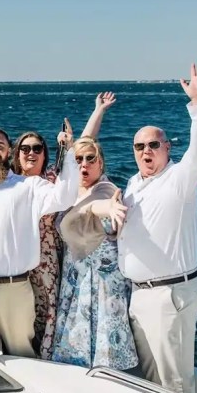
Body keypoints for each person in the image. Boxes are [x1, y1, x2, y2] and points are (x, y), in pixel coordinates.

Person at [119, 61, 197, 393]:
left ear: (167, 148)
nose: (146, 150)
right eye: (140, 146)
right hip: (140, 295)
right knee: (149, 381)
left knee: (173, 383)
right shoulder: (133, 183)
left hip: (168, 295)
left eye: (154, 145)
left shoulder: (180, 179)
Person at [0, 127, 78, 358]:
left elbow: (64, 197)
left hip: (16, 289)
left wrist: (69, 152)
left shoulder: (29, 186)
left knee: (22, 358)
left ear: (9, 151)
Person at [51, 136, 138, 370]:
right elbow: (81, 145)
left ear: (101, 164)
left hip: (102, 286)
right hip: (75, 283)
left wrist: (107, 208)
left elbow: (98, 205)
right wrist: (97, 112)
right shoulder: (72, 193)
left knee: (106, 356)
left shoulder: (105, 190)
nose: (84, 164)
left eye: (91, 159)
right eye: (78, 160)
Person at [10, 130, 60, 359]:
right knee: (20, 312)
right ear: (17, 153)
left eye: (37, 148)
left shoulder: (52, 179)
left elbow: (79, 149)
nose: (31, 153)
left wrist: (99, 110)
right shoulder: (7, 181)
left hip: (46, 257)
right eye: (25, 148)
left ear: (44, 154)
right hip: (16, 258)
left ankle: (44, 357)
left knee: (48, 309)